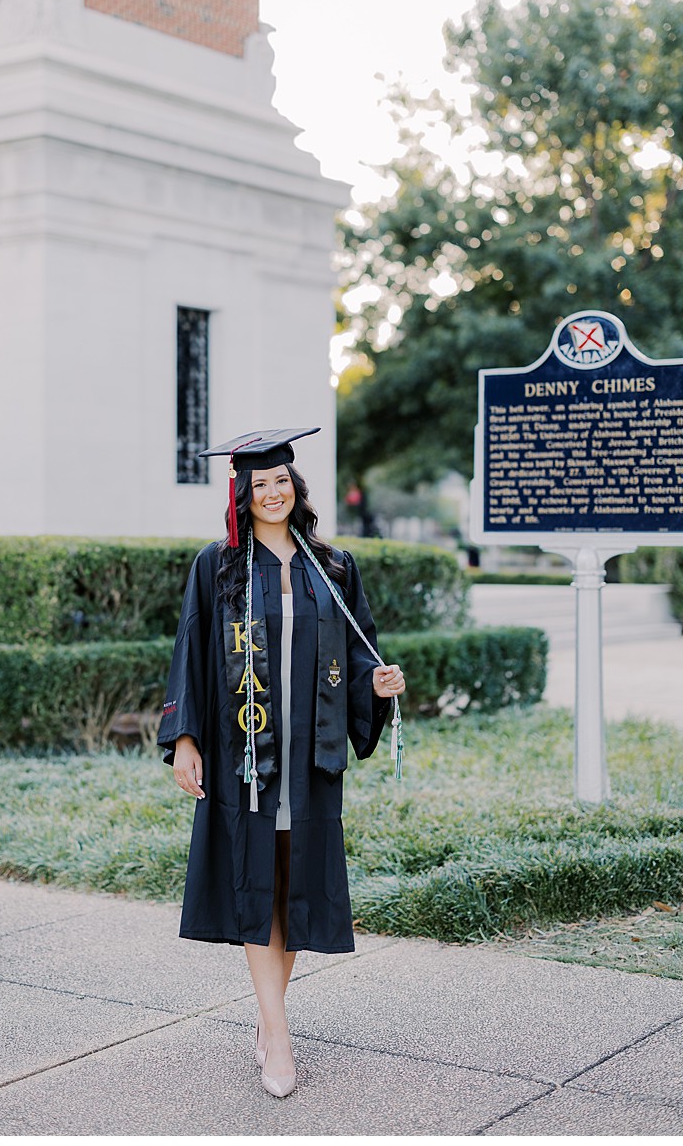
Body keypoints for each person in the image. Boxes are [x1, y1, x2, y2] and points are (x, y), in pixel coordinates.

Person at [157, 427, 407, 1099]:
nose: (272, 492)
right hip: (247, 750)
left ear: (297, 487)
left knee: (293, 888)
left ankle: (269, 1023)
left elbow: (361, 651)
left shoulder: (333, 565)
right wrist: (185, 739)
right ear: (243, 493)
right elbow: (191, 650)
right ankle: (279, 1033)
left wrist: (376, 685)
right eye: (258, 484)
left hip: (312, 755)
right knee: (256, 884)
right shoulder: (219, 566)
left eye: (281, 481)